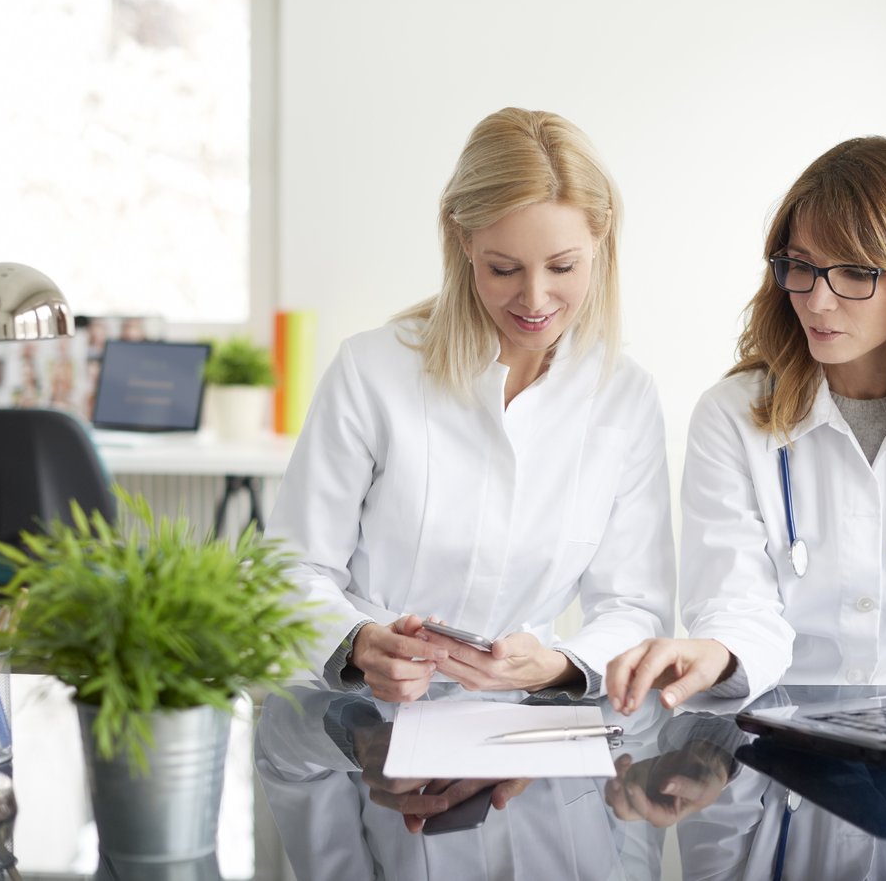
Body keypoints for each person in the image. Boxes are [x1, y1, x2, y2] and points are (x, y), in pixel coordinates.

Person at [607, 136, 886, 714]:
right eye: (802, 268)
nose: (816, 301)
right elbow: (735, 603)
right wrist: (721, 652)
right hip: (784, 745)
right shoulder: (732, 416)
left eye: (854, 274)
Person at [269, 106, 675, 705]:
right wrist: (357, 645)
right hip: (363, 715)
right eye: (503, 268)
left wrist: (556, 666)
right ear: (463, 241)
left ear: (601, 239)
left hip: (525, 733)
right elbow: (291, 570)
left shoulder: (625, 397)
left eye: (563, 266)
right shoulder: (372, 371)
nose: (534, 299)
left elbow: (635, 606)